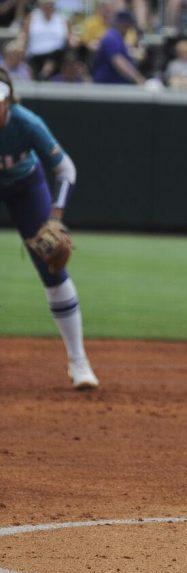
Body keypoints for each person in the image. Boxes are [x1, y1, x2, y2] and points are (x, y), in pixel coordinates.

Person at [0, 69, 98, 390]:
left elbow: (66, 168)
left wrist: (55, 218)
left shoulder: (25, 122)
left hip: (25, 186)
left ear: (8, 101)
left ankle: (78, 361)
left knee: (52, 268)